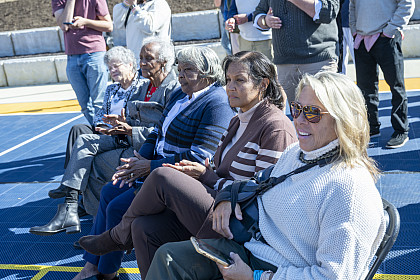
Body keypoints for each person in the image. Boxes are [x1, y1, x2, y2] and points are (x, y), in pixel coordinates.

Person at [144, 72, 386, 279]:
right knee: (167, 256)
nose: (299, 121)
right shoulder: (297, 154)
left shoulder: (349, 190)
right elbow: (258, 182)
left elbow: (334, 276)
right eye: (297, 108)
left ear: (342, 120)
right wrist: (229, 196)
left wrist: (256, 277)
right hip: (251, 248)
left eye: (312, 113)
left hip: (273, 269)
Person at [79, 51, 298, 278]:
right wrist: (205, 171)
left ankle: (116, 237)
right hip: (219, 203)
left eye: (239, 80)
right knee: (143, 228)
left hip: (239, 221)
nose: (230, 87)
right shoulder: (238, 119)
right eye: (229, 79)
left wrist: (208, 176)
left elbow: (263, 196)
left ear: (263, 84)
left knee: (162, 176)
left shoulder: (274, 127)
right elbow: (222, 170)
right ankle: (124, 237)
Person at [67, 46, 234, 280]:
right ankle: (95, 266)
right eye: (180, 68)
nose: (181, 74)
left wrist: (149, 167)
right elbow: (156, 132)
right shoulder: (179, 94)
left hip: (175, 177)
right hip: (152, 167)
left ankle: (105, 271)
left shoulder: (216, 103)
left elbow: (199, 157)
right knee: (109, 191)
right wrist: (141, 158)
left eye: (188, 70)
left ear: (206, 74)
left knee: (117, 208)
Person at [29, 38, 179, 236]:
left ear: (164, 62)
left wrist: (127, 129)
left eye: (148, 58)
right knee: (81, 137)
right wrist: (118, 123)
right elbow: (125, 117)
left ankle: (83, 216)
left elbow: (162, 133)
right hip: (123, 136)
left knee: (91, 161)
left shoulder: (170, 90)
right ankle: (76, 204)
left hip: (141, 147)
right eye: (141, 57)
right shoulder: (142, 88)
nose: (142, 62)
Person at [58, 46, 141, 173]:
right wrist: (102, 125)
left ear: (130, 65)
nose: (112, 70)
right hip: (105, 129)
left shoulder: (141, 87)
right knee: (78, 129)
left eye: (116, 66)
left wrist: (118, 125)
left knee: (84, 140)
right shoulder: (111, 89)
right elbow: (101, 112)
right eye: (110, 68)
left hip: (121, 132)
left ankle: (71, 187)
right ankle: (69, 174)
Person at [350, 0, 414, 148]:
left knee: (396, 86)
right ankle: (371, 127)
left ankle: (401, 130)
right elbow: (353, 5)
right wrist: (354, 29)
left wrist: (390, 30)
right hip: (361, 38)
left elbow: (407, 3)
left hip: (386, 39)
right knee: (365, 88)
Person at [253, 0, 339, 104]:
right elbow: (258, 13)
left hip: (317, 61)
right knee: (296, 116)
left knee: (321, 111)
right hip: (285, 64)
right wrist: (266, 20)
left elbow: (328, 11)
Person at [52, 0, 112, 125]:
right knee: (85, 105)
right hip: (72, 57)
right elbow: (64, 25)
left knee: (99, 102)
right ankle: (98, 129)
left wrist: (86, 22)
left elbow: (109, 25)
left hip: (95, 55)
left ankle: (105, 134)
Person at [112, 0, 171, 65]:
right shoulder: (132, 6)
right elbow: (118, 24)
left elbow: (149, 26)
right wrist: (126, 4)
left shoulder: (160, 4)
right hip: (135, 60)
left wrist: (134, 7)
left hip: (154, 62)